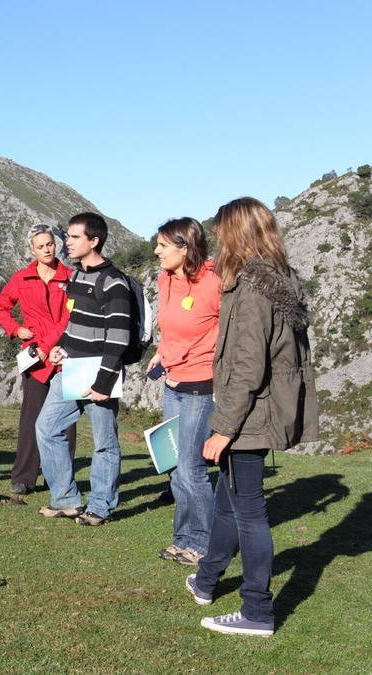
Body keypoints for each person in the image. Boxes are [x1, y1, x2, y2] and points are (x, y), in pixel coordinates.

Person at [186, 197, 319, 637]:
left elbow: (247, 366)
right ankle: (206, 581)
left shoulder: (251, 288)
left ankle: (257, 611)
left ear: (237, 234)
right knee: (229, 502)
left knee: (249, 513)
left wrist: (223, 427)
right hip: (260, 410)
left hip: (249, 417)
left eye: (222, 231)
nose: (218, 239)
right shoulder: (279, 280)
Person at [37, 212, 133, 526]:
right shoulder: (76, 277)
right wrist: (60, 346)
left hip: (100, 374)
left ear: (94, 241)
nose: (67, 241)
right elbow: (74, 323)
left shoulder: (114, 282)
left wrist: (104, 383)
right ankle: (65, 500)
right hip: (70, 368)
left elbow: (118, 338)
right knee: (47, 428)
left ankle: (100, 507)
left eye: (74, 237)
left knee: (105, 441)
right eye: (68, 236)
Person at [145, 218, 222, 566]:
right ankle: (183, 538)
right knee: (175, 465)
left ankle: (204, 544)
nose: (156, 250)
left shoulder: (213, 282)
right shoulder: (165, 280)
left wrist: (178, 355)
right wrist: (161, 354)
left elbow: (221, 333)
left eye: (163, 245)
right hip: (172, 383)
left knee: (192, 468)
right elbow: (171, 328)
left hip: (199, 386)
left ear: (185, 247)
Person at [0, 224, 76, 495]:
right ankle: (24, 478)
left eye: (49, 244)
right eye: (40, 246)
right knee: (31, 417)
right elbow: (1, 306)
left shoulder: (70, 277)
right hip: (35, 359)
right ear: (32, 249)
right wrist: (16, 329)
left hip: (64, 354)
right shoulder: (22, 278)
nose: (47, 249)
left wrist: (47, 345)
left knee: (66, 420)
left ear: (56, 243)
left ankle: (60, 480)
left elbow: (69, 318)